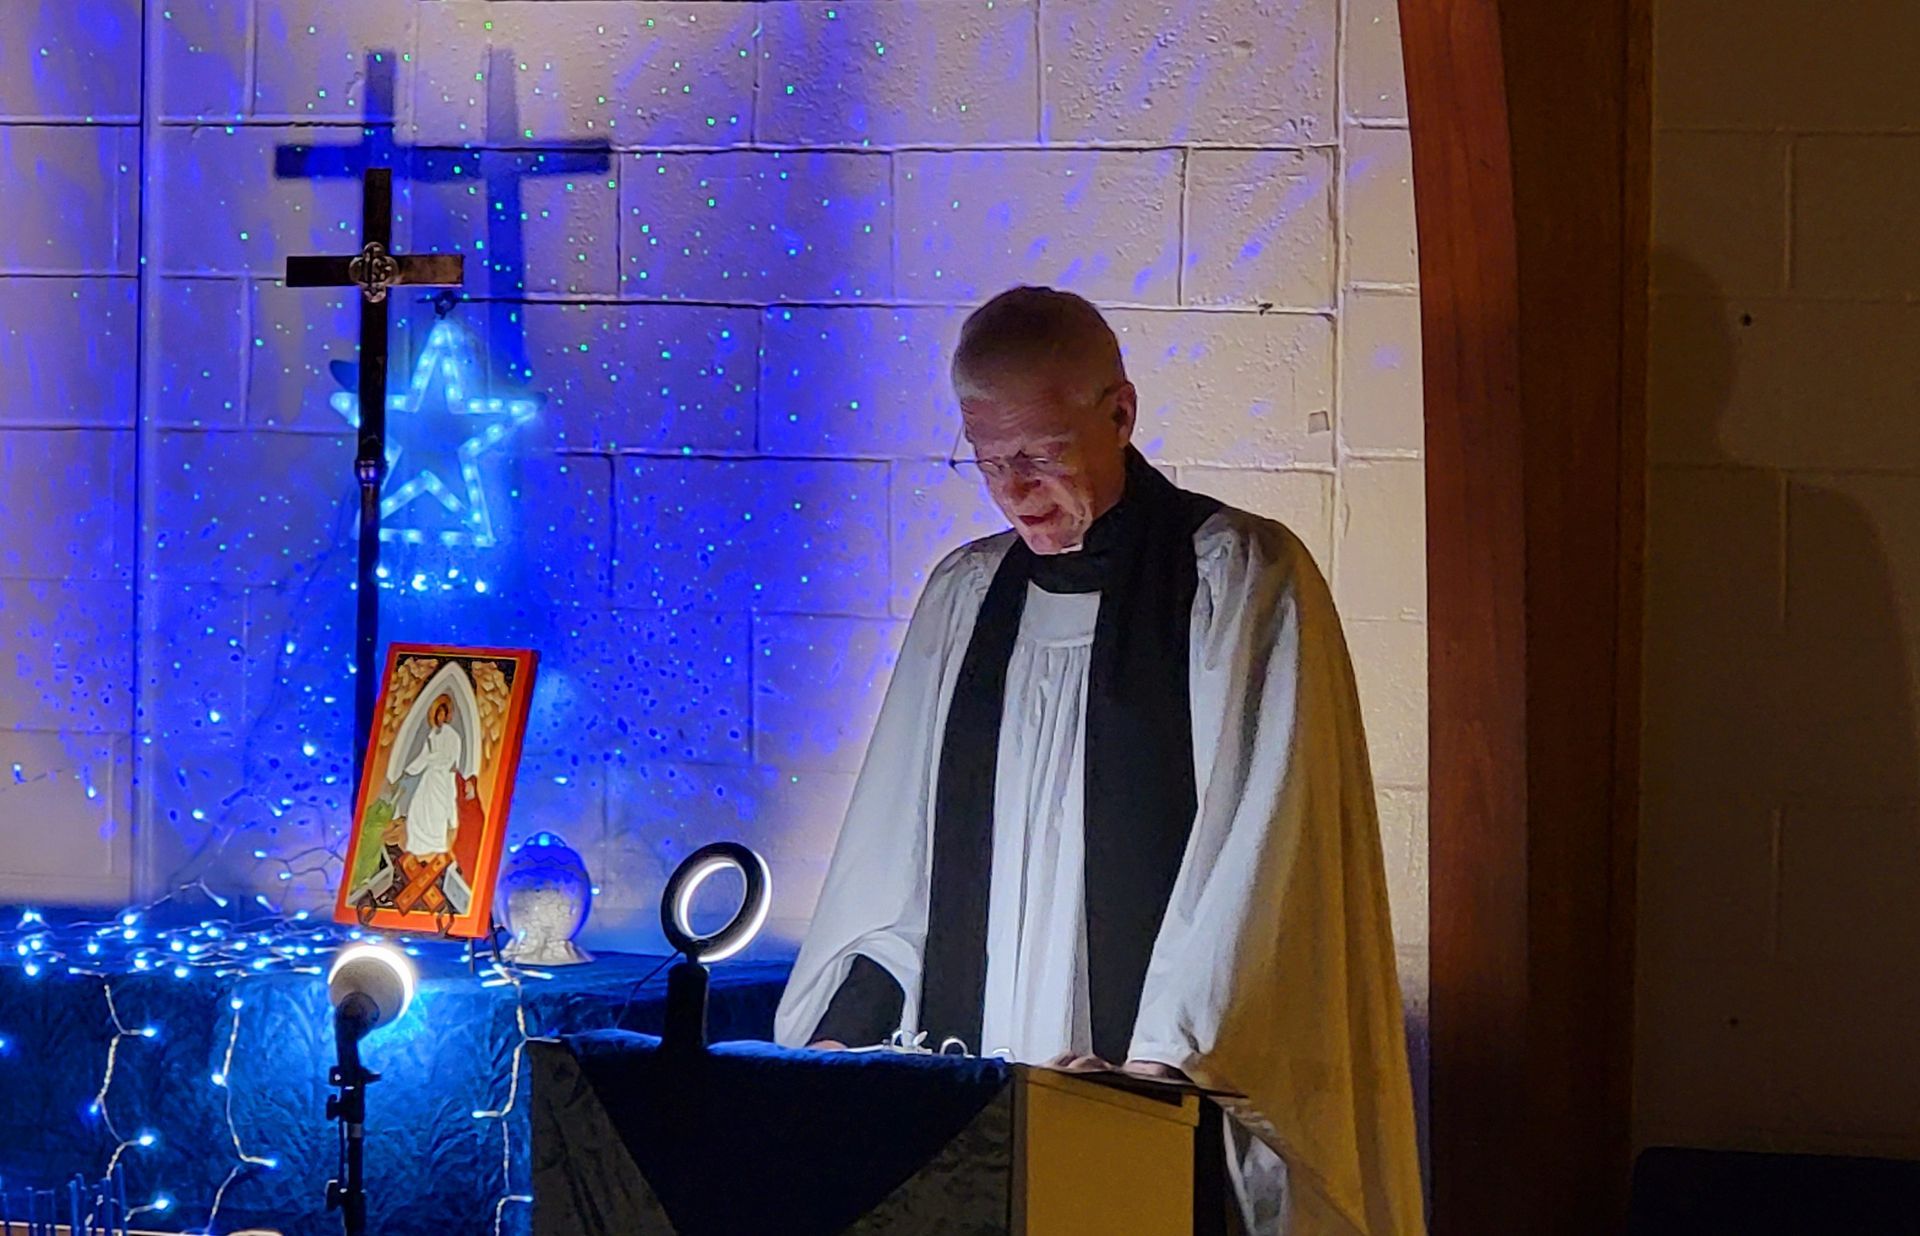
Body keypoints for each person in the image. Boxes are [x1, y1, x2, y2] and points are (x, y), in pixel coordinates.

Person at [773, 286, 1424, 1235]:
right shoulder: (965, 596)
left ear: (1119, 413)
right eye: (989, 460)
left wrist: (1165, 1060)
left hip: (1147, 1085)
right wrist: (849, 1027)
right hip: (981, 1068)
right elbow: (896, 850)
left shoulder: (1236, 576)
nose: (1014, 490)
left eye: (1038, 453)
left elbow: (1266, 847)